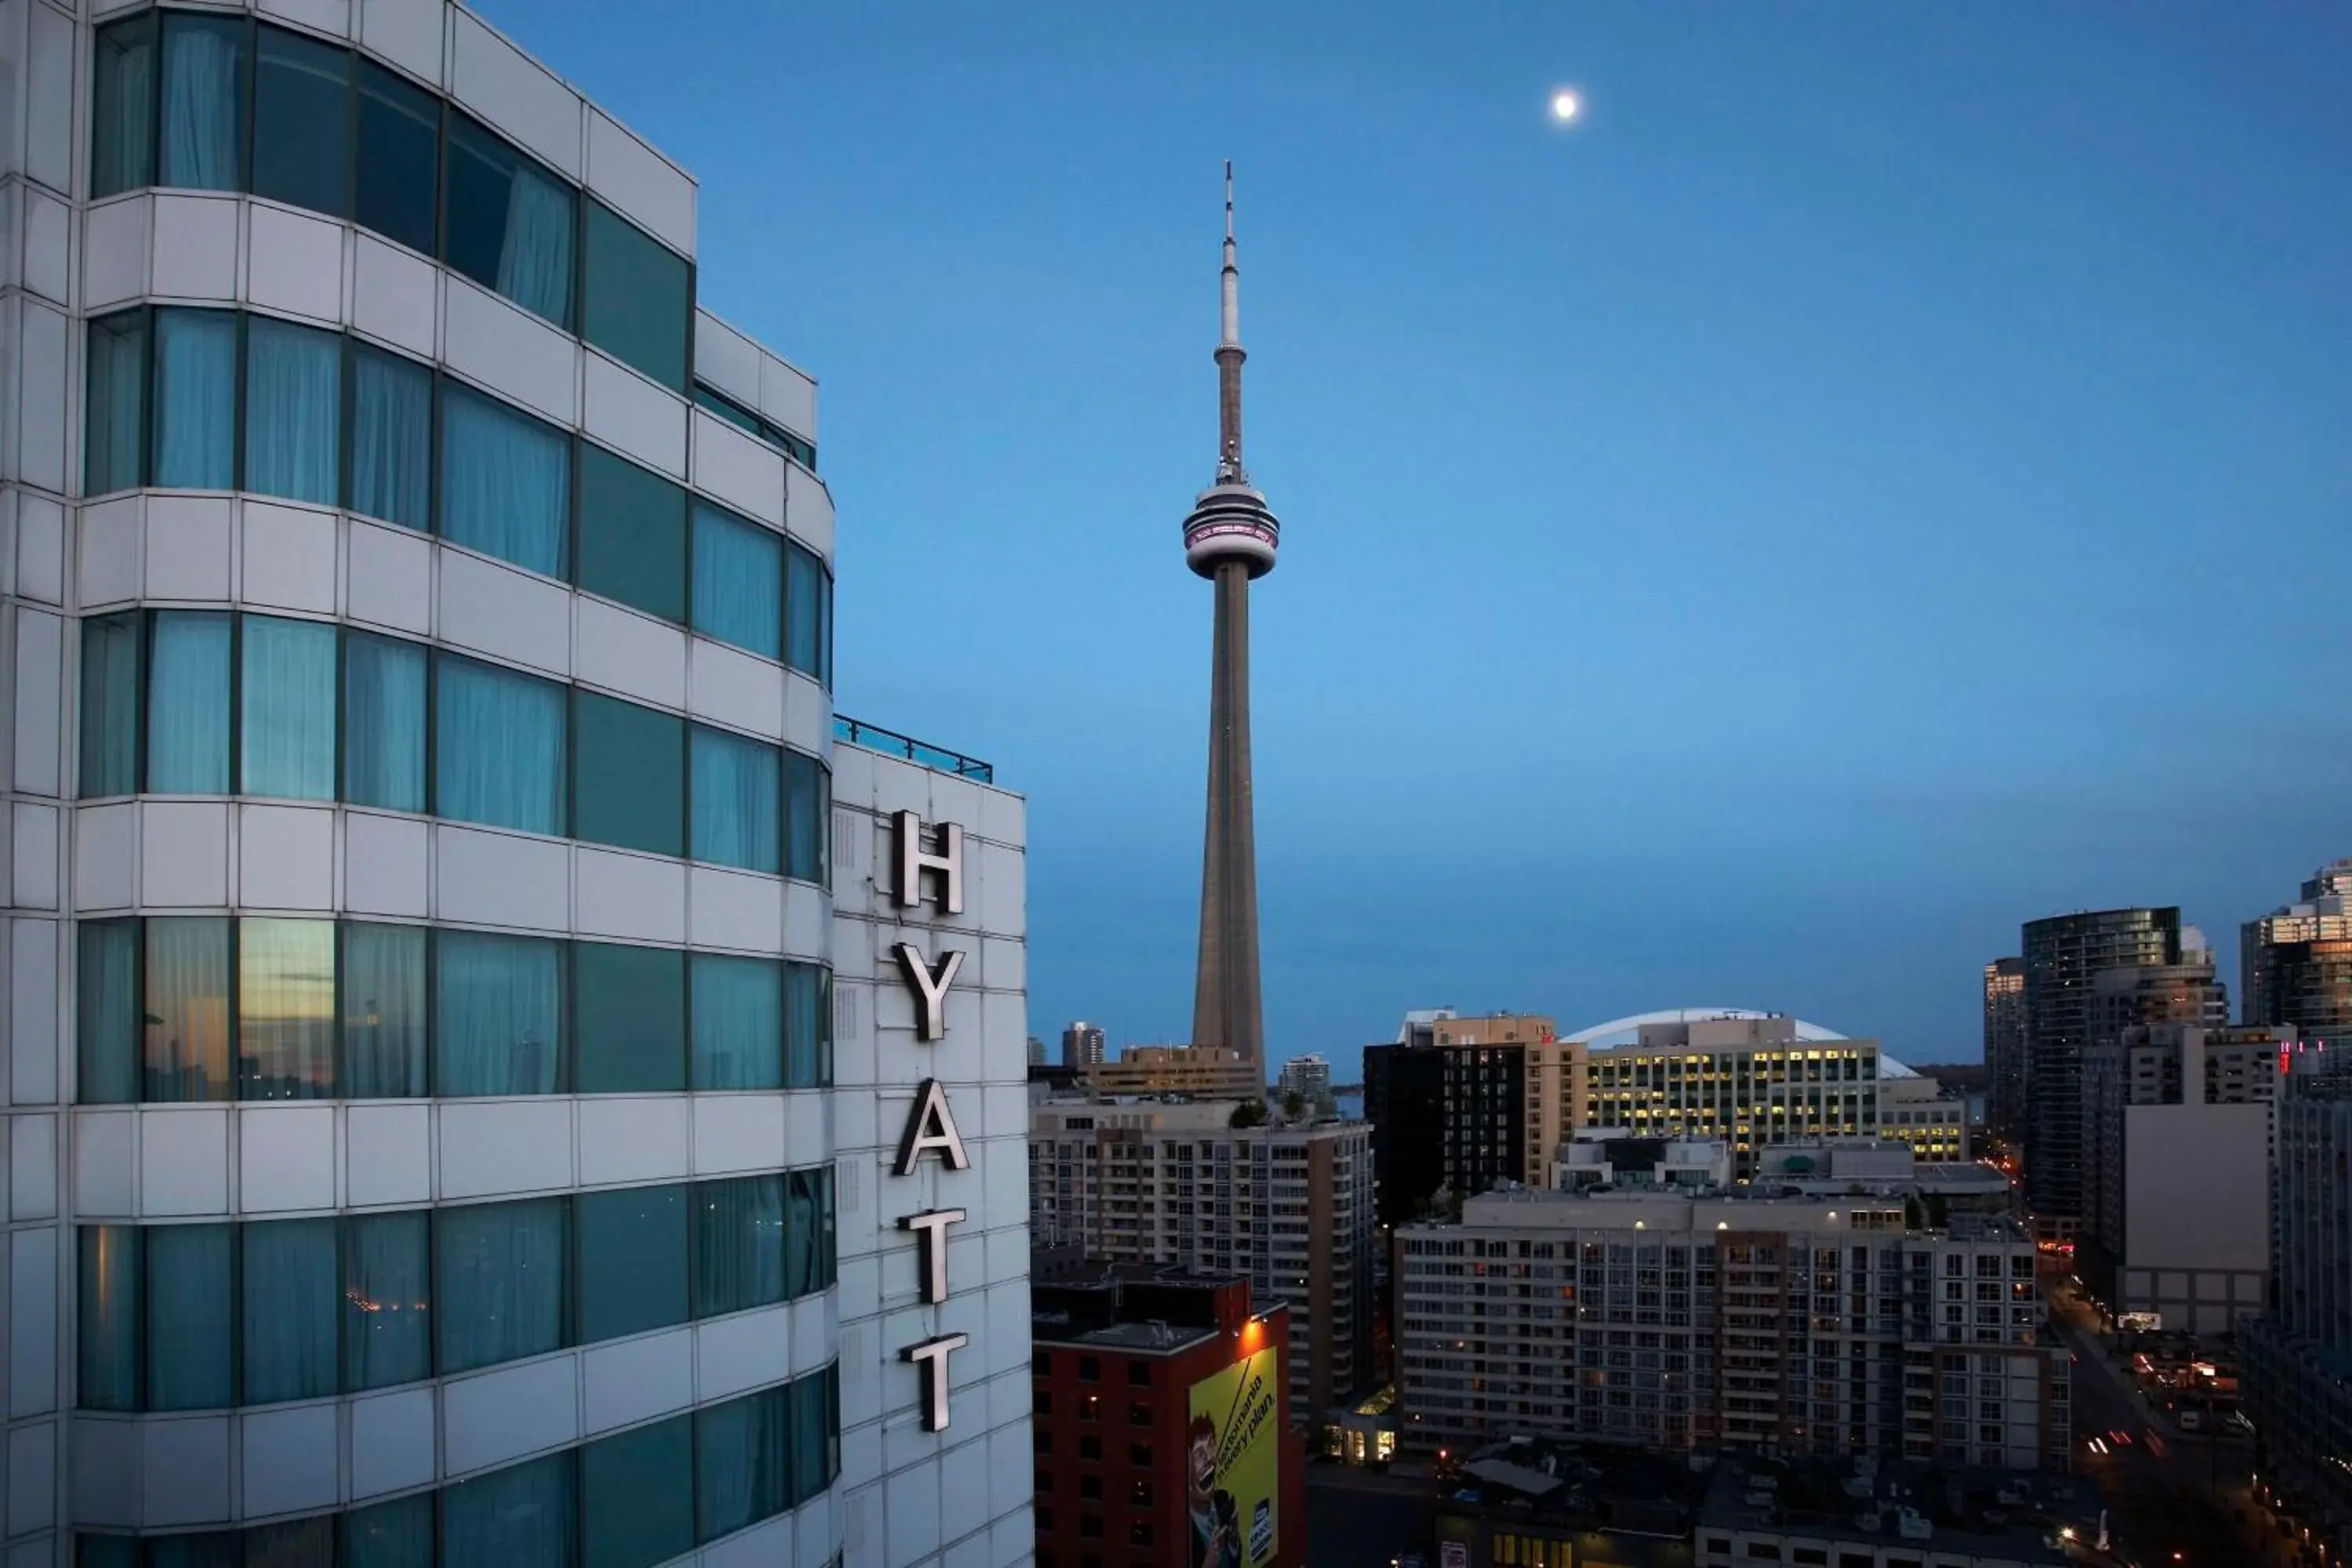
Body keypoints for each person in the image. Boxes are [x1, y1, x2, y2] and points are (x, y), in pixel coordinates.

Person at [1188, 1412, 1242, 1568]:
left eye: (1211, 1445)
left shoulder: (1222, 1499)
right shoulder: (1184, 1528)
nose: (1210, 1458)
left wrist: (1233, 1540)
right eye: (1200, 1454)